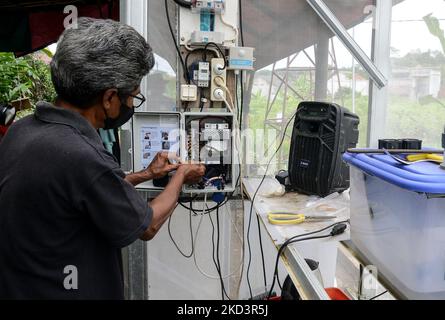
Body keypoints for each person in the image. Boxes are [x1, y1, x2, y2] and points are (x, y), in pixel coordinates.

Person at [0, 17, 205, 299]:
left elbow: (83, 191)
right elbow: (147, 225)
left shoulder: (22, 130)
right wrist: (181, 176)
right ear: (109, 98)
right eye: (133, 96)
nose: (132, 103)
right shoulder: (81, 155)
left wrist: (146, 174)